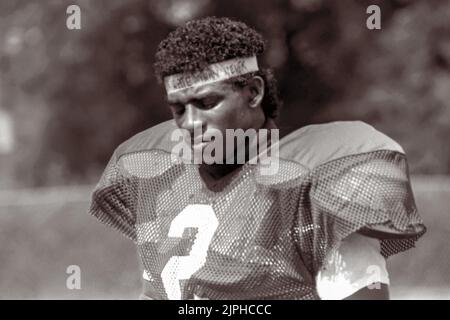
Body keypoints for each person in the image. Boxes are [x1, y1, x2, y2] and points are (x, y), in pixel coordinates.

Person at [88, 16, 426, 300]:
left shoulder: (316, 180)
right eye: (178, 109)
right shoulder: (159, 174)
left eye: (207, 104)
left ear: (253, 92)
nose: (190, 124)